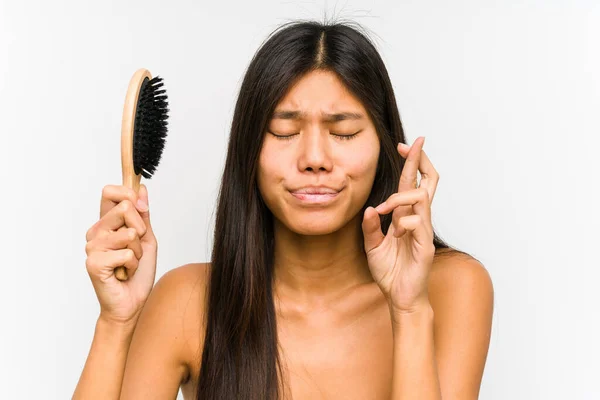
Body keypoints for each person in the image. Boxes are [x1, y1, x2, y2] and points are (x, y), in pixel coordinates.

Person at [73, 19, 494, 400]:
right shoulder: (187, 302)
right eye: (284, 131)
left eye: (344, 133)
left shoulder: (451, 287)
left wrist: (409, 310)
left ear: (386, 146)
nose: (315, 158)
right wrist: (116, 323)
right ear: (249, 150)